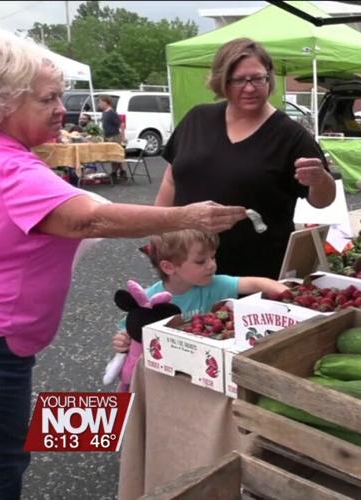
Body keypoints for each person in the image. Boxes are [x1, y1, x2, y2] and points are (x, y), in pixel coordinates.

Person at [0, 36, 247, 500]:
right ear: (2, 102)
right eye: (47, 99)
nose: (62, 108)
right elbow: (89, 218)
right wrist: (188, 216)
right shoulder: (10, 168)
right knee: (2, 455)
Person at [155, 38, 336, 279]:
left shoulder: (290, 135)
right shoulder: (197, 119)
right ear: (222, 80)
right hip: (185, 268)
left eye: (257, 78)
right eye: (239, 79)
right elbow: (171, 181)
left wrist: (320, 179)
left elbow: (322, 201)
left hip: (255, 271)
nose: (249, 87)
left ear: (269, 78)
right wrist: (158, 232)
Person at [110, 230, 291, 384]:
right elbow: (128, 331)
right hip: (170, 376)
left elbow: (256, 283)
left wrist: (290, 296)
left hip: (210, 371)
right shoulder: (149, 300)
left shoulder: (215, 284)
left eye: (212, 257)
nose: (211, 265)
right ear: (168, 267)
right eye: (200, 261)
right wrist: (122, 341)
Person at [97, 96, 126, 179]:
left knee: (115, 155)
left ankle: (115, 172)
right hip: (107, 136)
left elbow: (121, 124)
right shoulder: (104, 113)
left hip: (114, 136)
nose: (99, 104)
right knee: (111, 156)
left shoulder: (111, 113)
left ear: (106, 103)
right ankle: (121, 171)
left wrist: (123, 137)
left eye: (101, 102)